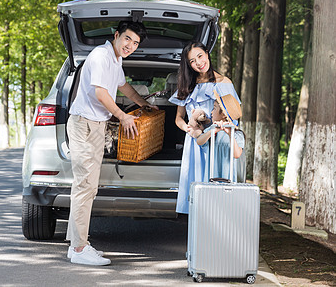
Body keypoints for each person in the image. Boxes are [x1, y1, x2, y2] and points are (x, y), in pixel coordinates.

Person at [66, 20, 157, 266]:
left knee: (88, 186)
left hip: (96, 125)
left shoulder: (116, 61)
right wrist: (123, 115)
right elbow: (100, 93)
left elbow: (124, 87)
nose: (130, 45)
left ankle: (76, 245)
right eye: (127, 39)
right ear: (117, 35)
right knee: (85, 186)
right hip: (84, 124)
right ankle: (79, 247)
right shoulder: (100, 56)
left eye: (135, 43)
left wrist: (143, 104)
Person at [168, 41, 240, 215]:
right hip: (194, 142)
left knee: (216, 186)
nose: (198, 63)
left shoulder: (224, 82)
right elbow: (178, 118)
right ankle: (197, 229)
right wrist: (187, 128)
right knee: (195, 186)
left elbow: (234, 116)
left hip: (217, 141)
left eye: (200, 56)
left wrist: (221, 128)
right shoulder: (186, 86)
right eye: (192, 61)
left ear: (207, 54)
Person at [196, 91, 245, 182]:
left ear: (223, 114)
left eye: (214, 108)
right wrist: (212, 131)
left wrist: (230, 134)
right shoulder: (213, 130)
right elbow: (199, 141)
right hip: (212, 174)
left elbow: (237, 154)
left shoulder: (237, 134)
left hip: (229, 176)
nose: (211, 112)